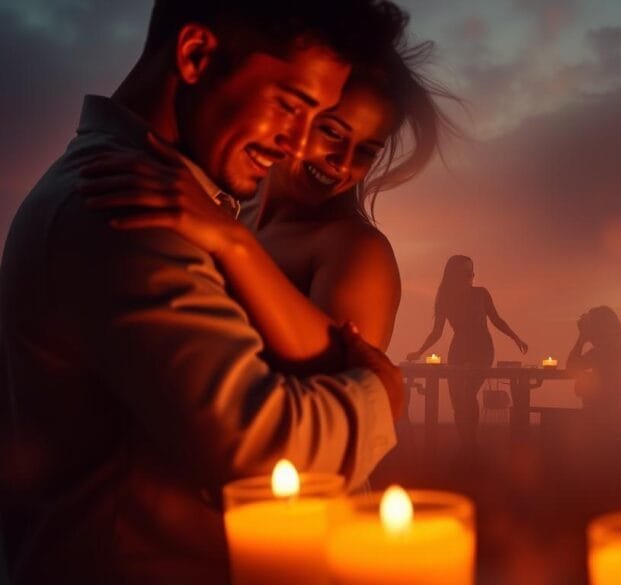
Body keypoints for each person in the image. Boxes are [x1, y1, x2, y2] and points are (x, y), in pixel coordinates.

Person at [0, 2, 408, 583]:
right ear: (195, 55)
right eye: (291, 106)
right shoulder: (128, 212)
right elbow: (259, 449)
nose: (296, 147)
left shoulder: (177, 205)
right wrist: (380, 397)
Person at [79, 42, 454, 354]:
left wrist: (232, 243)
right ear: (293, 112)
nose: (342, 164)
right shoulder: (219, 205)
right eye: (331, 132)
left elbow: (349, 399)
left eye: (365, 152)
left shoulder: (356, 251)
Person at [406, 255, 529, 451]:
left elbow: (496, 319)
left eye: (472, 272)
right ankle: (466, 443)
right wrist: (420, 351)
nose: (471, 276)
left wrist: (516, 338)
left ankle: (472, 443)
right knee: (457, 400)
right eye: (466, 272)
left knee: (467, 394)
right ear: (454, 275)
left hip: (482, 350)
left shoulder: (481, 294)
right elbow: (437, 332)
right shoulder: (445, 298)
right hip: (458, 350)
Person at [566, 306, 621, 421]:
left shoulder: (609, 348)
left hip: (606, 416)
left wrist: (581, 338)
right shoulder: (620, 345)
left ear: (599, 328)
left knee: (552, 420)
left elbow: (571, 368)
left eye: (591, 327)